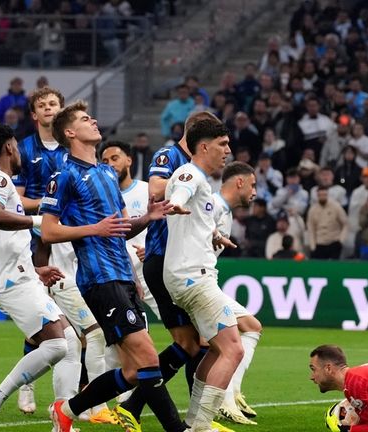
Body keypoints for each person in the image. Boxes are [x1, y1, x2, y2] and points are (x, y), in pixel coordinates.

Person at [40, 101, 189, 432]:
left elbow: (120, 228)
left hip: (123, 276)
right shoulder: (64, 176)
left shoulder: (107, 173)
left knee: (136, 371)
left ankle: (67, 410)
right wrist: (94, 229)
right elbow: (49, 230)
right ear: (69, 132)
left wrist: (147, 218)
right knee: (150, 359)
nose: (93, 121)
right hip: (99, 279)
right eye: (83, 119)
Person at [122, 112, 230, 432]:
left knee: (195, 343)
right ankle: (192, 419)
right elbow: (155, 190)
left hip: (178, 260)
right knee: (198, 343)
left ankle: (136, 406)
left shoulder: (200, 169)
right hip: (166, 258)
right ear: (200, 139)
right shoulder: (171, 156)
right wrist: (183, 185)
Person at [11, 87, 113, 424]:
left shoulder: (75, 151)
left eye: (54, 103)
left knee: (71, 333)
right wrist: (48, 208)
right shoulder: (26, 150)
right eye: (43, 106)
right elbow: (16, 199)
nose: (50, 109)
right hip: (44, 241)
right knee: (54, 327)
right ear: (35, 115)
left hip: (74, 241)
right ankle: (51, 396)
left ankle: (78, 401)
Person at [0, 123, 80, 432]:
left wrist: (35, 269)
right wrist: (35, 220)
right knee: (58, 346)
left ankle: (63, 420)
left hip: (20, 276)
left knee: (70, 341)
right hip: (10, 282)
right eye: (16, 145)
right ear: (8, 147)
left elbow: (0, 240)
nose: (18, 150)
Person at [163, 117, 246, 431]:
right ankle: (200, 426)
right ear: (204, 146)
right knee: (234, 348)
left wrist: (212, 234)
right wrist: (176, 203)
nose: (227, 150)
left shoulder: (203, 181)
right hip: (192, 276)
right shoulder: (189, 173)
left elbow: (194, 216)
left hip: (192, 274)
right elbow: (180, 192)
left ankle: (194, 423)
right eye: (222, 144)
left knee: (211, 349)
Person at [210, 161, 262, 423]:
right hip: (195, 282)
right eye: (252, 185)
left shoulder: (226, 212)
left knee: (251, 327)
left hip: (208, 281)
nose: (255, 192)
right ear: (239, 182)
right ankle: (224, 401)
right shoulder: (213, 206)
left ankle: (234, 392)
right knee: (226, 344)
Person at [98, 140, 160, 319]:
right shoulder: (99, 197)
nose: (110, 164)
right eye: (105, 161)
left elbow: (166, 226)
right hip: (117, 274)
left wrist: (152, 250)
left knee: (181, 326)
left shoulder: (148, 190)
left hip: (149, 270)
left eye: (115, 158)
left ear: (129, 161)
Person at [307, 185, 348, 259]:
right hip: (319, 243)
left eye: (324, 195)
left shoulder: (336, 206)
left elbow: (345, 224)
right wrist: (312, 246)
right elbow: (311, 229)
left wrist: (341, 241)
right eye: (320, 195)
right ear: (317, 195)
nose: (322, 197)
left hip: (334, 242)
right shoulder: (312, 210)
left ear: (328, 195)